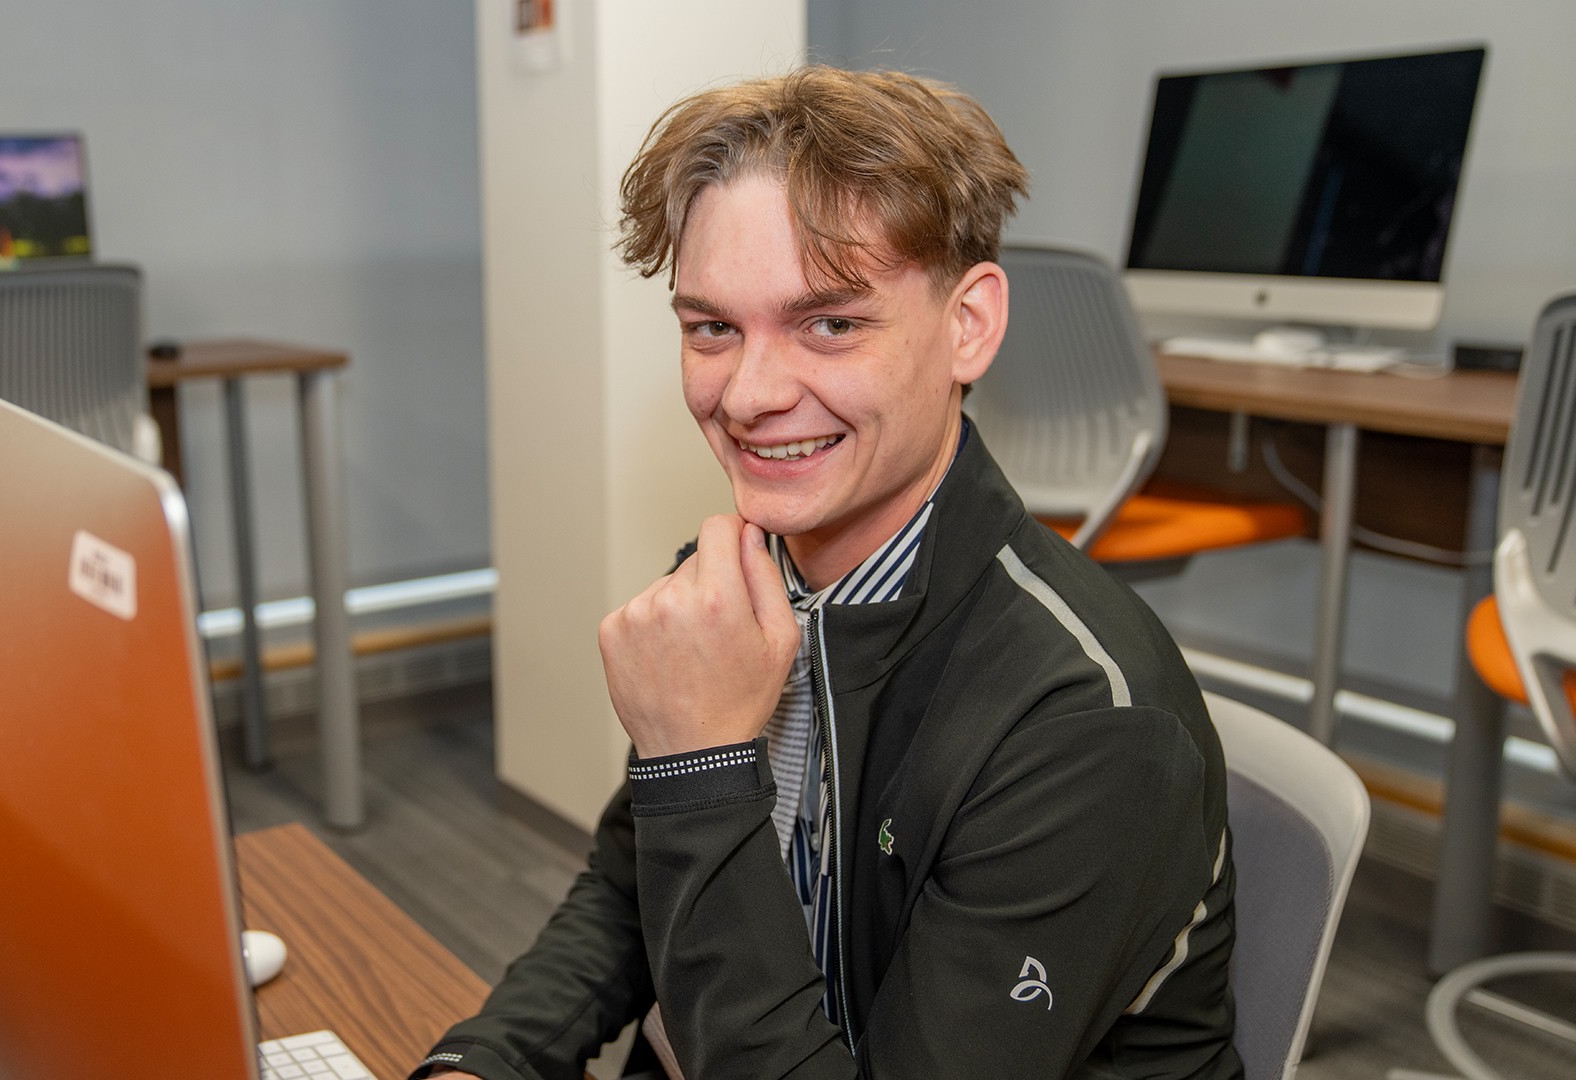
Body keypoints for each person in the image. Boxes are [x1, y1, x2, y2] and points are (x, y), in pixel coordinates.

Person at [415, 66, 1240, 1080]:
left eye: (830, 324)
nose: (750, 395)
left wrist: (696, 771)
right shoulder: (743, 576)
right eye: (713, 327)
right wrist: (482, 1061)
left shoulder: (1086, 730)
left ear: (969, 325)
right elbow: (634, 888)